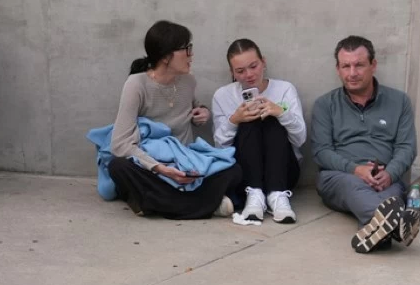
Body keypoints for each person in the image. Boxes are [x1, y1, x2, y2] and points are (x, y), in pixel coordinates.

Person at [107, 21, 242, 220]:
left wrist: (203, 112)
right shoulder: (136, 85)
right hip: (154, 164)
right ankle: (203, 204)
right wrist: (160, 168)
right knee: (118, 166)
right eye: (186, 49)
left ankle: (153, 202)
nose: (191, 54)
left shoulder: (188, 80)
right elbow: (119, 144)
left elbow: (194, 106)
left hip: (186, 160)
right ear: (166, 56)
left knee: (234, 170)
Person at [310, 36, 420, 253]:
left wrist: (389, 173)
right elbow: (321, 152)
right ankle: (397, 224)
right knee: (358, 188)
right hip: (340, 177)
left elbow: (407, 147)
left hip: (386, 178)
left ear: (373, 65)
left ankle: (378, 230)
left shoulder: (399, 101)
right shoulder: (325, 105)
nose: (352, 73)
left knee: (390, 198)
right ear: (338, 69)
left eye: (359, 65)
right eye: (346, 66)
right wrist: (356, 170)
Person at [211, 40, 306, 225]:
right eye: (240, 71)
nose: (249, 75)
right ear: (232, 73)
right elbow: (220, 148)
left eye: (253, 66)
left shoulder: (285, 89)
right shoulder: (222, 95)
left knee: (271, 117)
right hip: (243, 175)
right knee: (248, 118)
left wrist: (281, 113)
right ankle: (254, 194)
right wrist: (234, 120)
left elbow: (300, 139)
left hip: (285, 171)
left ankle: (277, 196)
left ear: (263, 62)